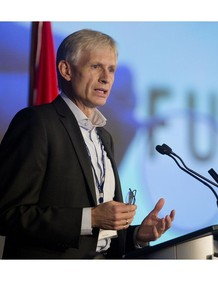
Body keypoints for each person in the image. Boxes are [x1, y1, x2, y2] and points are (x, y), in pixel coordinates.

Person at [0, 29, 175, 259]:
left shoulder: (104, 137)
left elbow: (100, 234)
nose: (107, 78)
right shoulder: (37, 123)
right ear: (66, 70)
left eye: (111, 69)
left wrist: (136, 236)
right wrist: (90, 218)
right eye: (96, 66)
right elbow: (7, 213)